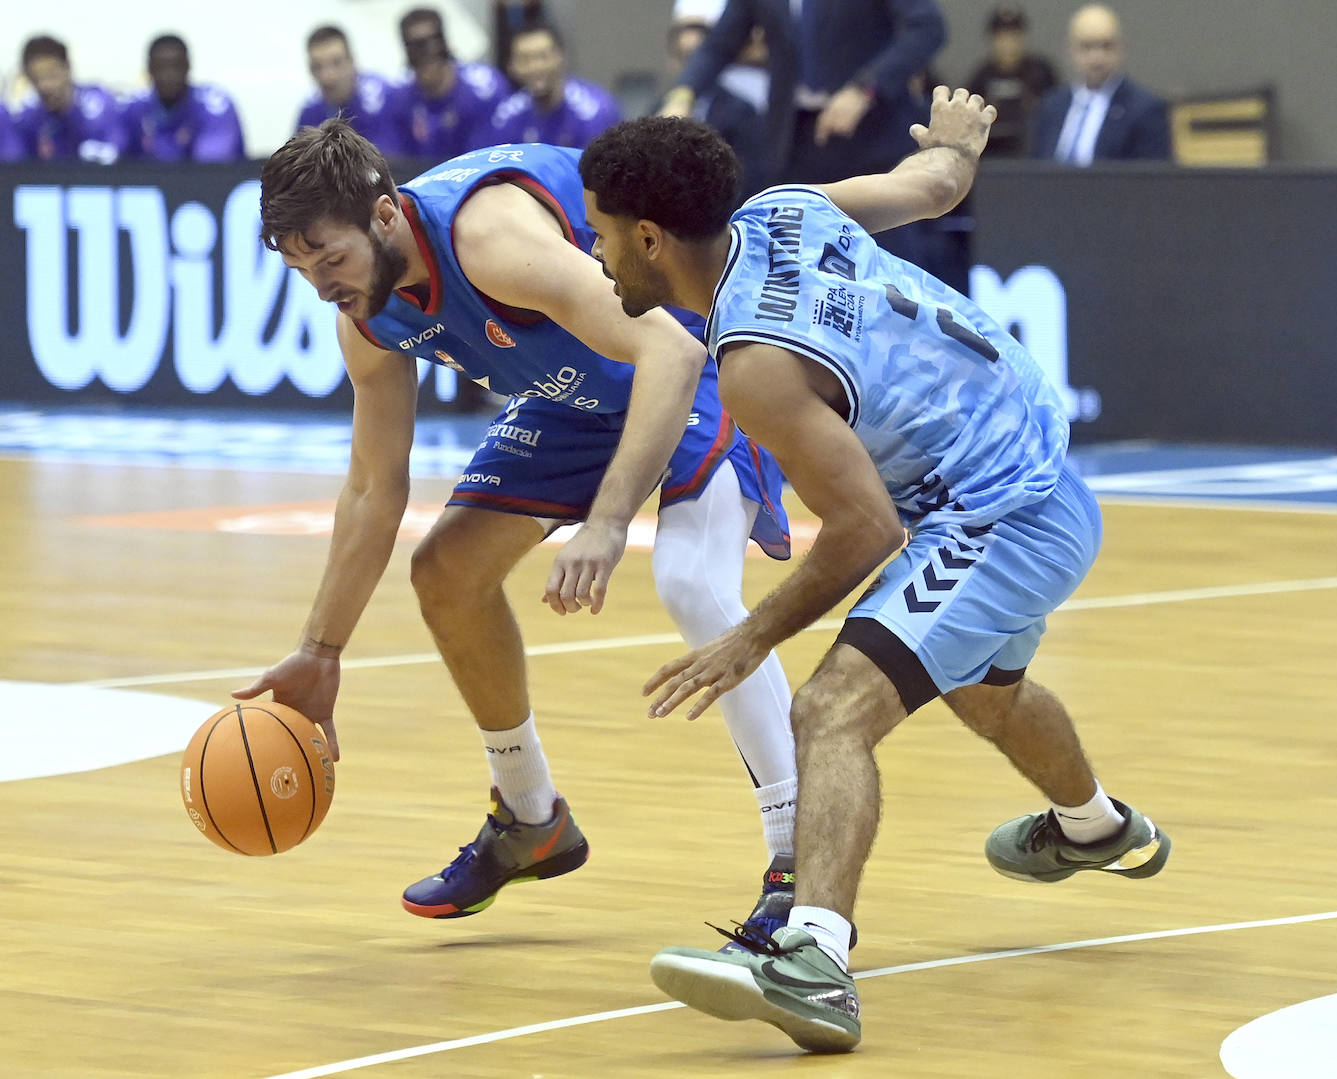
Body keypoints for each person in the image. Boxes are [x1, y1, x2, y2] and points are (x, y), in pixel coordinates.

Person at [578, 90, 1171, 1053]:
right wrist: (956, 142)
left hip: (997, 508)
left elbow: (866, 530)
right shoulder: (785, 208)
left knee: (830, 710)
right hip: (1035, 472)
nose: (595, 257)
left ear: (649, 238)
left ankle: (816, 960)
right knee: (986, 694)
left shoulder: (755, 362)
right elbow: (930, 186)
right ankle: (1097, 827)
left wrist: (749, 635)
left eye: (599, 235)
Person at [240, 118, 802, 941]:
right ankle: (530, 818)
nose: (323, 283)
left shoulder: (490, 240)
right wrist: (322, 649)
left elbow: (668, 357)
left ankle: (800, 852)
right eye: (301, 267)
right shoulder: (363, 314)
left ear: (387, 215)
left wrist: (609, 523)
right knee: (446, 574)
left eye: (331, 258)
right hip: (577, 389)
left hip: (691, 349)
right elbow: (371, 487)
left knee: (691, 580)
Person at [659, 0, 948, 278]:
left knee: (888, 260)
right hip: (794, 138)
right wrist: (683, 95)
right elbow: (719, 44)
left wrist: (865, 89)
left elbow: (928, 29)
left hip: (873, 134)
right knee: (797, 263)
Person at [1031, 3, 1170, 164]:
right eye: (1086, 46)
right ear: (1070, 50)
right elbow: (1034, 170)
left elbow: (1152, 180)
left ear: (1121, 49)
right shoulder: (1051, 106)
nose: (1096, 57)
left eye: (1106, 46)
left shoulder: (1145, 110)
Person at [665, 15, 768, 201]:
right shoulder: (659, 109)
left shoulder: (741, 111)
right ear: (672, 59)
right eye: (685, 57)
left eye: (697, 58)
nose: (693, 69)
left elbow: (748, 178)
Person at [395, 7, 511, 159]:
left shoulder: (483, 89)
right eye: (414, 46)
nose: (425, 55)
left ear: (445, 44)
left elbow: (492, 156)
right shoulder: (401, 99)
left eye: (431, 41)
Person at [488, 21, 619, 149]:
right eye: (525, 59)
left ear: (561, 57)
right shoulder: (506, 117)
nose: (536, 67)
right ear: (511, 66)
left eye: (543, 57)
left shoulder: (594, 113)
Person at [121, 35, 245, 163]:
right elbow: (110, 160)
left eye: (176, 66)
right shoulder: (132, 108)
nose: (169, 75)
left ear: (188, 66)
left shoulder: (215, 105)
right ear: (149, 69)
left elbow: (211, 168)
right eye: (161, 67)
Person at [297, 25, 407, 156]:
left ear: (353, 61)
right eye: (317, 67)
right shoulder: (311, 112)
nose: (327, 77)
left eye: (336, 63)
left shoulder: (386, 98)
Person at [964, 5, 1057, 157]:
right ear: (992, 39)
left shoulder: (1041, 72)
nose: (1008, 44)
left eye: (1014, 36)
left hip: (1031, 151)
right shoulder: (981, 76)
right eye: (1002, 37)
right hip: (990, 153)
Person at [13, 35, 124, 163]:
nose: (45, 86)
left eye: (51, 75)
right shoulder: (28, 116)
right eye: (36, 78)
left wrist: (69, 112)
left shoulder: (100, 104)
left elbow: (116, 150)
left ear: (68, 68)